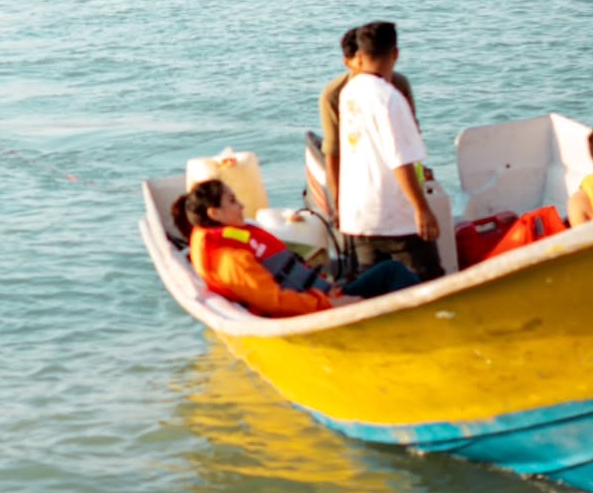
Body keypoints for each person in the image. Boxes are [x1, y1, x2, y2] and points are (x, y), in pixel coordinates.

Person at [172, 179, 418, 318]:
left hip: (322, 298)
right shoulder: (230, 259)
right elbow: (273, 302)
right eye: (232, 201)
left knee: (389, 271)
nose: (241, 206)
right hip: (314, 314)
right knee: (393, 274)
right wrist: (331, 305)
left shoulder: (231, 240)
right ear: (215, 213)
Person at [337, 20, 444, 281]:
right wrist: (422, 208)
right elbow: (401, 161)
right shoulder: (390, 98)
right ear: (395, 54)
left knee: (374, 289)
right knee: (428, 285)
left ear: (359, 57)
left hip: (360, 217)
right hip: (395, 217)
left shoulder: (348, 93)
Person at [320, 24, 418, 213]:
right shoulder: (334, 95)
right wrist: (339, 204)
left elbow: (409, 139)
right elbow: (333, 153)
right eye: (359, 60)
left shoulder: (398, 85)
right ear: (350, 62)